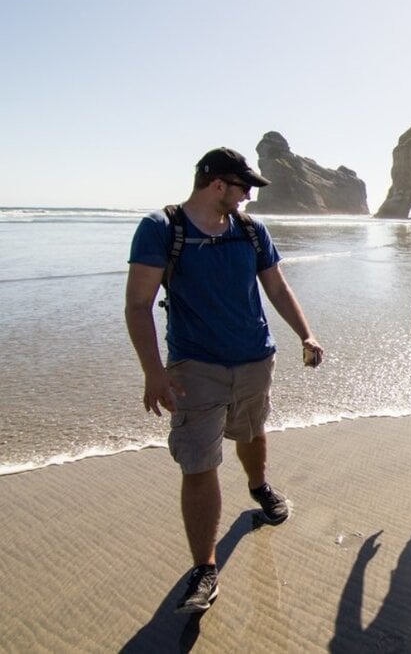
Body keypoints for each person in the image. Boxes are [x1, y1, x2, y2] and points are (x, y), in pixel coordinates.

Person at [125, 147, 324, 615]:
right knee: (198, 463)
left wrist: (306, 333)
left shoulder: (251, 231)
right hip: (195, 368)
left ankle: (259, 486)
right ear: (217, 184)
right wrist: (153, 371)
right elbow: (138, 304)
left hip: (255, 360)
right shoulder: (161, 228)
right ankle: (205, 568)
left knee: (252, 432)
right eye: (243, 188)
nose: (247, 197)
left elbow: (276, 286)